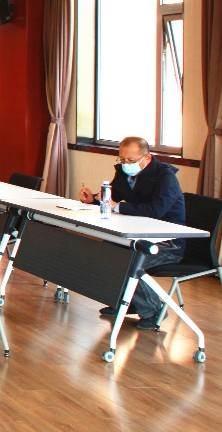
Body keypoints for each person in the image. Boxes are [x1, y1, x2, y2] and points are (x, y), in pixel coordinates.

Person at [77, 136, 186, 329]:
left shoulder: (165, 177)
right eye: (122, 159)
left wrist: (117, 207)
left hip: (166, 243)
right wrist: (93, 199)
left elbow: (155, 211)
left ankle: (154, 311)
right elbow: (113, 196)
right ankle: (126, 302)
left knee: (127, 262)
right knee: (106, 252)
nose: (126, 164)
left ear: (147, 158)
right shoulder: (123, 171)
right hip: (137, 235)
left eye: (131, 160)